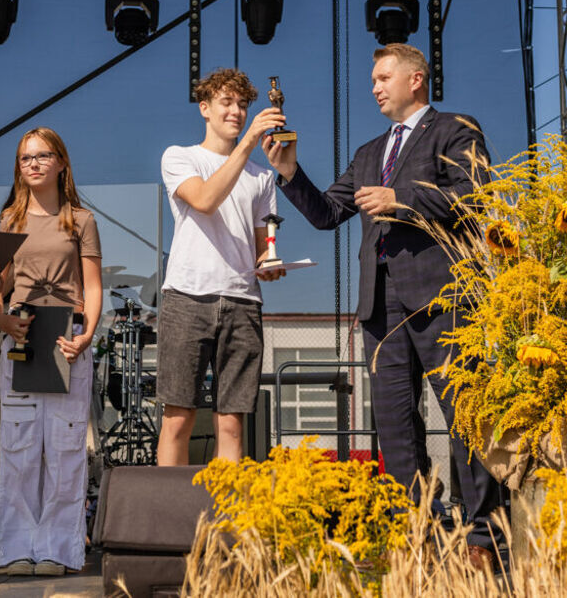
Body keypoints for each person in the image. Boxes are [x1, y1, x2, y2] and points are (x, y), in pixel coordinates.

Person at [263, 43, 502, 569]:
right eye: (372, 79)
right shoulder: (371, 151)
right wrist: (289, 170)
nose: (374, 86)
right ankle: (416, 532)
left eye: (382, 77)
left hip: (444, 297)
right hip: (380, 304)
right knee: (394, 425)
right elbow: (328, 214)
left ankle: (485, 536)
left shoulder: (455, 129)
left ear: (416, 80)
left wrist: (403, 201)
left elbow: (475, 194)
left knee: (466, 416)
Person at [0, 127, 102, 577]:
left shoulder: (81, 220)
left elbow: (93, 286)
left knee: (66, 446)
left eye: (41, 156)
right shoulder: (9, 220)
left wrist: (87, 333)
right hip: (22, 337)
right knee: (19, 446)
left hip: (66, 338)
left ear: (61, 163)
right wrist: (1, 320)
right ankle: (15, 547)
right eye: (24, 157)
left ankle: (59, 548)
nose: (31, 163)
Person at [156, 68, 285, 467]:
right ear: (205, 108)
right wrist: (247, 144)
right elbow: (206, 200)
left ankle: (230, 521)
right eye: (227, 103)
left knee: (232, 422)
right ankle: (169, 523)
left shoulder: (263, 176)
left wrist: (269, 264)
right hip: (187, 298)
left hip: (243, 301)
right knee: (178, 417)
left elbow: (265, 245)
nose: (237, 111)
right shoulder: (180, 157)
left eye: (243, 105)